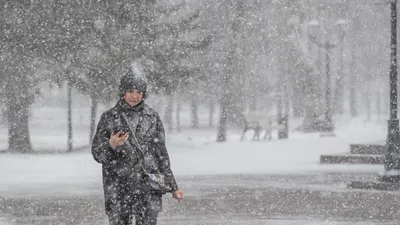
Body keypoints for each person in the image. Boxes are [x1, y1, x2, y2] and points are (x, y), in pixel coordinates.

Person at [91, 63, 184, 225]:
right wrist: (111, 144)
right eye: (130, 91)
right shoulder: (109, 117)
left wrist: (173, 186)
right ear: (123, 92)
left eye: (139, 92)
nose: (135, 96)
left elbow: (161, 154)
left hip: (147, 186)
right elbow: (97, 153)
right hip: (118, 186)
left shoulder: (152, 117)